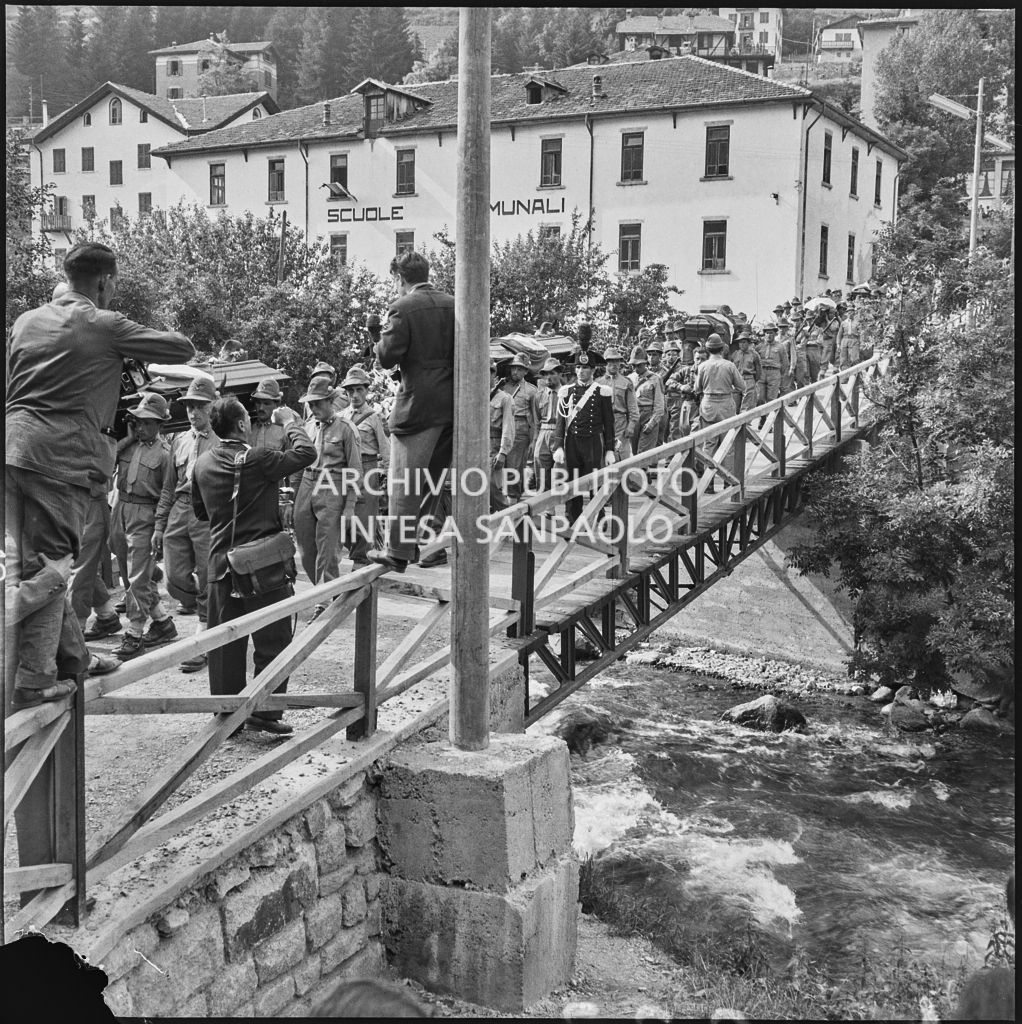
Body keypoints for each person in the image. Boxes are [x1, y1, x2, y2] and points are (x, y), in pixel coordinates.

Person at [6, 241, 193, 708]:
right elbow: (182, 347)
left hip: (12, 448)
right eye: (114, 283)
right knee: (50, 568)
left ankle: (74, 656)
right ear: (106, 281)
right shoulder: (103, 323)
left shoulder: (26, 321)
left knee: (27, 559)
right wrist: (124, 341)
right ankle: (36, 678)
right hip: (61, 458)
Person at [192, 396, 316, 737]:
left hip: (219, 566)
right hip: (262, 567)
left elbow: (201, 513)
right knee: (273, 639)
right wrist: (290, 421)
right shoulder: (258, 458)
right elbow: (307, 453)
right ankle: (264, 712)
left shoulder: (202, 463)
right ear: (243, 424)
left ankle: (226, 717)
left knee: (224, 645)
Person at [368, 251, 455, 574]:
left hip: (418, 404)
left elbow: (387, 358)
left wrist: (377, 339)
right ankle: (417, 541)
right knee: (432, 479)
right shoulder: (452, 303)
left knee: (403, 479)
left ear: (400, 279)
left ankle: (397, 551)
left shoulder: (402, 309)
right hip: (452, 405)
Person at [154, 378, 219, 673]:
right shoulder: (179, 440)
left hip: (207, 512)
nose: (194, 412)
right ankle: (207, 606)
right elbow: (168, 487)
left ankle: (203, 638)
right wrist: (159, 525)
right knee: (173, 578)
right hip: (180, 509)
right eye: (190, 406)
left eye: (200, 406)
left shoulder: (221, 441)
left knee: (208, 574)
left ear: (212, 406)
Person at [109, 393, 177, 660]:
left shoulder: (165, 455)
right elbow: (105, 461)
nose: (140, 427)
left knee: (138, 575)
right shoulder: (126, 446)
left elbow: (166, 493)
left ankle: (135, 632)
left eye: (147, 423)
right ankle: (162, 622)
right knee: (131, 573)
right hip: (121, 509)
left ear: (160, 425)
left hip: (144, 514)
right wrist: (125, 437)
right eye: (137, 421)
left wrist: (160, 527)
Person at [294, 377, 362, 619]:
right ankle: (324, 591)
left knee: (328, 546)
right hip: (307, 483)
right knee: (304, 544)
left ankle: (323, 603)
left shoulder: (346, 428)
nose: (314, 409)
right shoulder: (308, 427)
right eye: (311, 404)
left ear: (331, 401)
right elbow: (299, 460)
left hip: (333, 485)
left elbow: (355, 470)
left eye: (318, 404)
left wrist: (350, 507)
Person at [552, 351, 616, 524]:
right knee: (573, 481)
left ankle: (599, 515)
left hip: (593, 442)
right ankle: (572, 517)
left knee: (596, 481)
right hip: (572, 442)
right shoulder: (566, 391)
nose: (581, 371)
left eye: (585, 367)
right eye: (578, 367)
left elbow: (608, 424)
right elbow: (561, 422)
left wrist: (609, 449)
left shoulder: (602, 392)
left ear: (593, 370)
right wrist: (559, 446)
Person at [341, 365, 390, 565]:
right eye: (350, 390)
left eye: (359, 389)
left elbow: (385, 450)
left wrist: (387, 478)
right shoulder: (340, 416)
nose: (354, 395)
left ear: (367, 391)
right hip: (344, 472)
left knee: (364, 518)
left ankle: (361, 561)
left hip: (368, 470)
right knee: (346, 519)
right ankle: (363, 553)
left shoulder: (374, 417)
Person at [695, 334, 745, 489]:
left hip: (708, 404)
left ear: (708, 350)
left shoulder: (702, 366)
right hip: (725, 405)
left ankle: (707, 484)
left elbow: (697, 389)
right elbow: (742, 386)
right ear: (722, 348)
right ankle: (727, 482)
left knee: (709, 445)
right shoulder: (729, 365)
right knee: (727, 445)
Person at [500, 352, 540, 503]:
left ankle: (513, 500)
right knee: (499, 466)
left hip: (520, 430)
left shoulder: (531, 390)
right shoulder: (502, 387)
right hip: (501, 428)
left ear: (525, 371)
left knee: (515, 467)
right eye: (513, 368)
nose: (515, 372)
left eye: (519, 369)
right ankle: (500, 500)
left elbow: (535, 419)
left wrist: (534, 440)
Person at [602, 345, 639, 461]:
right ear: (605, 363)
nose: (614, 365)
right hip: (603, 424)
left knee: (622, 455)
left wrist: (631, 425)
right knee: (604, 456)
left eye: (616, 361)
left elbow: (633, 407)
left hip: (620, 423)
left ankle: (624, 479)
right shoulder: (598, 382)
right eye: (610, 362)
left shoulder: (626, 382)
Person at [488, 360, 516, 511]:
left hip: (493, 448)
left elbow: (508, 427)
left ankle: (511, 524)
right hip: (474, 447)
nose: (486, 374)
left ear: (495, 374)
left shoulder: (504, 398)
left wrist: (503, 452)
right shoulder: (471, 396)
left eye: (491, 371)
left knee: (493, 489)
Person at [629, 346, 665, 459]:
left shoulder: (655, 379)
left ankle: (644, 474)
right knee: (634, 453)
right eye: (633, 365)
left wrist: (652, 423)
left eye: (639, 365)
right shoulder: (629, 378)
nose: (636, 368)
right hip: (634, 418)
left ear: (645, 363)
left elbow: (659, 405)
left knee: (644, 454)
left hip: (648, 416)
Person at [533, 357, 563, 494]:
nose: (548, 377)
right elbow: (536, 420)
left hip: (560, 433)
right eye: (546, 374)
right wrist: (536, 441)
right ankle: (547, 511)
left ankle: (566, 511)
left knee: (560, 473)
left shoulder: (567, 394)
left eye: (552, 373)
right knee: (541, 468)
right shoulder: (539, 396)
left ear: (560, 374)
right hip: (543, 432)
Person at [730, 329, 761, 413]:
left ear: (748, 343)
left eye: (744, 342)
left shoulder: (754, 354)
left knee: (746, 407)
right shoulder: (735, 354)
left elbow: (758, 370)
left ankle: (745, 425)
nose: (742, 344)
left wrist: (753, 381)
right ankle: (737, 425)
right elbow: (732, 367)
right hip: (737, 380)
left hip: (749, 379)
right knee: (735, 405)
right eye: (740, 342)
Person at [758, 324, 788, 404]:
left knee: (771, 399)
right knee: (759, 398)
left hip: (774, 373)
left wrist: (782, 378)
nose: (769, 335)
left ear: (775, 334)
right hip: (762, 373)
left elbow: (785, 363)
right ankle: (763, 417)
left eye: (771, 333)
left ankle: (769, 416)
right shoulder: (759, 346)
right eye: (767, 333)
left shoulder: (780, 347)